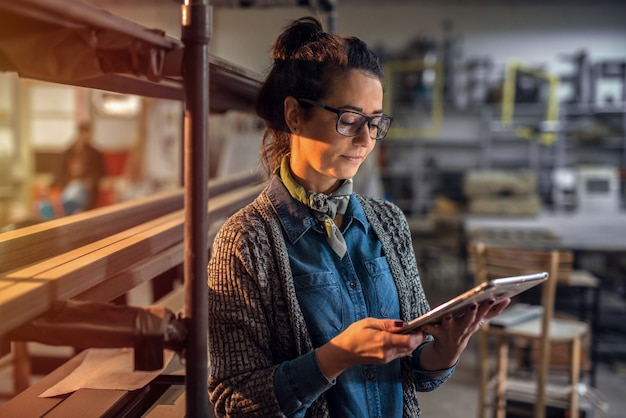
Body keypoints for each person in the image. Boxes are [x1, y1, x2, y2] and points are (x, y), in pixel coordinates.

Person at [207, 17, 510, 417]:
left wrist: (448, 348)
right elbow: (234, 400)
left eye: (374, 121)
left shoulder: (389, 223)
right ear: (295, 115)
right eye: (349, 120)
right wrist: (336, 357)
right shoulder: (246, 240)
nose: (366, 139)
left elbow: (417, 375)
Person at [50, 121, 106, 215]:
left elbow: (102, 172)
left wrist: (91, 181)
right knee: (73, 189)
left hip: (86, 190)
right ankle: (71, 208)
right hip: (67, 186)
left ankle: (64, 206)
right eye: (82, 134)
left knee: (76, 187)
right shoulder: (67, 153)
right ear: (78, 134)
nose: (84, 137)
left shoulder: (95, 154)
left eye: (87, 134)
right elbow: (58, 172)